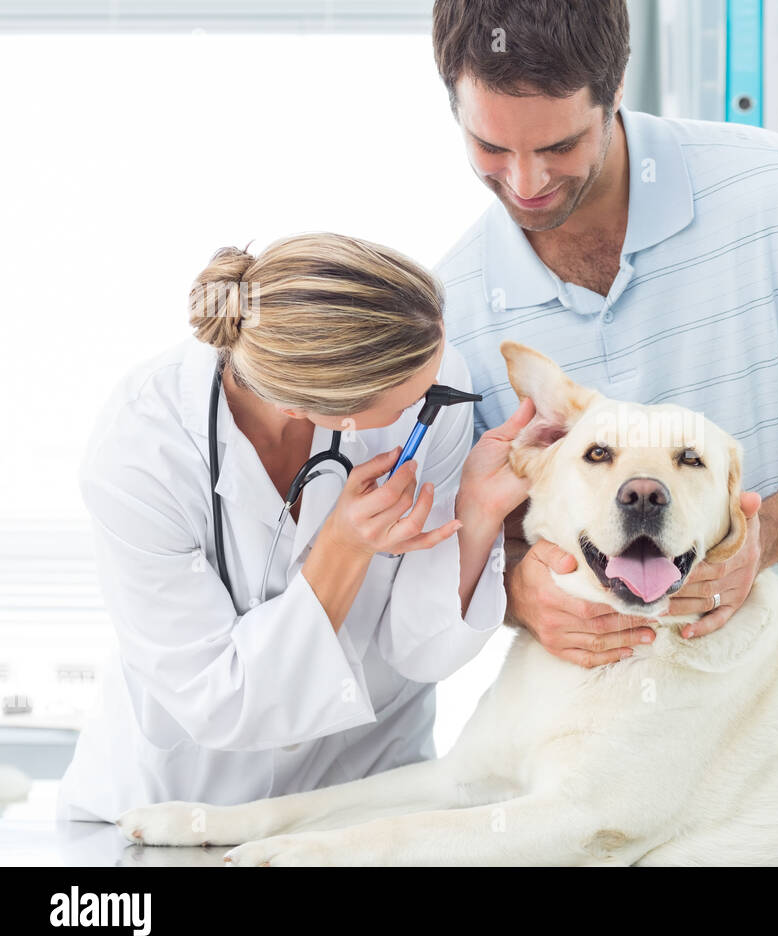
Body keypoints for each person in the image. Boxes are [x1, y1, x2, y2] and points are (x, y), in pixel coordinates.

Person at [431, 0, 778, 669]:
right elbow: (472, 532)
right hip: (629, 746)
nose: (526, 183)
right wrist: (515, 588)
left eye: (560, 146)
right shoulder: (454, 309)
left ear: (615, 89)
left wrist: (763, 537)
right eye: (491, 147)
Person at [57, 232, 534, 822]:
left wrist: (480, 512)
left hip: (366, 790)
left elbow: (420, 652)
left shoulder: (424, 376)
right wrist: (343, 547)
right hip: (187, 802)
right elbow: (220, 698)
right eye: (408, 402)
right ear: (311, 407)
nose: (431, 400)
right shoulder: (141, 453)